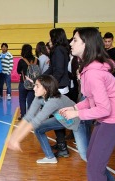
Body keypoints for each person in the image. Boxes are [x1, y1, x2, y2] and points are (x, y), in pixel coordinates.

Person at [60, 27, 115, 181]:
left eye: (75, 40)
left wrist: (77, 115)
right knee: (91, 157)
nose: (71, 43)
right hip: (109, 117)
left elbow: (104, 109)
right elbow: (91, 99)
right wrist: (76, 108)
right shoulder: (88, 68)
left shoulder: (92, 73)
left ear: (87, 44)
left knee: (94, 164)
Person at [7, 75, 89, 164]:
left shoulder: (54, 101)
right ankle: (50, 157)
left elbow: (35, 121)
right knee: (38, 129)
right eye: (35, 85)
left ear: (46, 89)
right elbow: (28, 117)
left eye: (37, 86)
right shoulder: (39, 96)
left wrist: (17, 139)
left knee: (85, 156)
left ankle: (103, 175)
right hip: (62, 119)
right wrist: (13, 137)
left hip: (77, 122)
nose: (34, 88)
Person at [44, 28, 71, 158]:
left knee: (58, 118)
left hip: (59, 88)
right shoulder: (58, 50)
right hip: (59, 87)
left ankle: (62, 147)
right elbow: (52, 68)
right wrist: (41, 78)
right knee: (57, 117)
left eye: (50, 37)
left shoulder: (59, 50)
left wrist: (51, 85)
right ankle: (61, 143)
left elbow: (59, 71)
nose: (49, 40)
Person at [16, 44, 36, 120]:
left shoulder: (21, 61)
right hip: (33, 83)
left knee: (22, 99)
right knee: (31, 101)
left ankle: (23, 115)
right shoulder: (36, 60)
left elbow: (18, 71)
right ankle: (31, 116)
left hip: (23, 82)